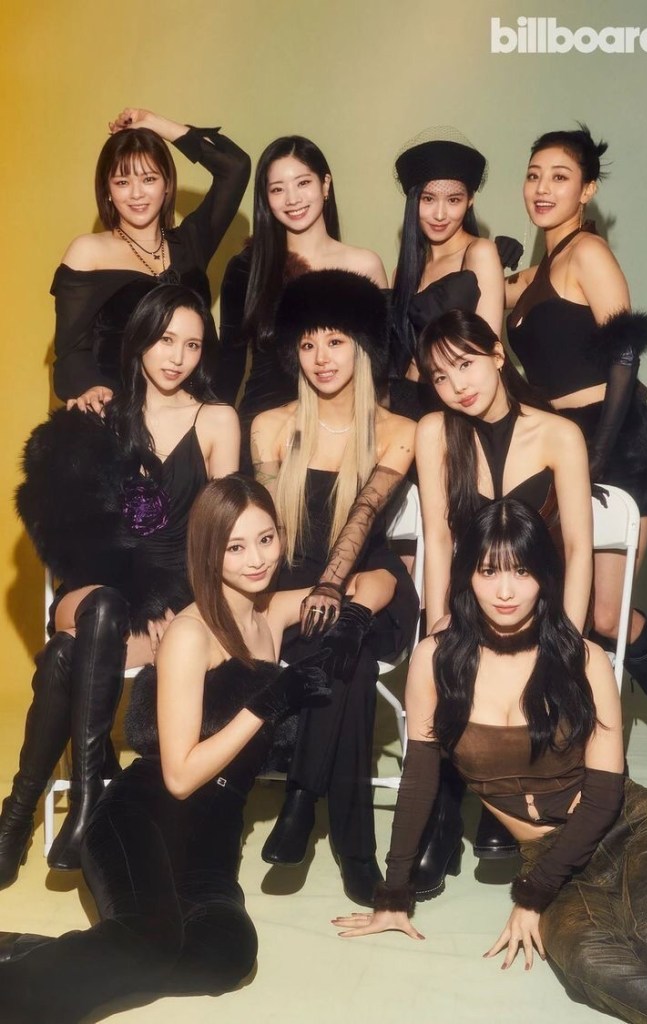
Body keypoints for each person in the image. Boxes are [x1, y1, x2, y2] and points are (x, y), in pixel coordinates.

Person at [333, 499, 647, 1024]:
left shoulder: (583, 658)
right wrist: (393, 893)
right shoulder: (436, 659)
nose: (504, 591)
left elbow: (605, 796)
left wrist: (532, 896)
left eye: (521, 572)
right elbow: (420, 781)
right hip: (547, 858)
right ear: (467, 576)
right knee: (592, 964)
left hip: (630, 827)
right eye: (488, 571)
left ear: (544, 576)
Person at [0, 475, 335, 1023]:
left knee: (229, 956)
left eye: (266, 539)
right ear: (208, 550)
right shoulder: (190, 634)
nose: (256, 559)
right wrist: (268, 703)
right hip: (142, 819)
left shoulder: (270, 612)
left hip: (211, 843)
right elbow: (179, 777)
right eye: (235, 547)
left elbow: (357, 586)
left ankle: (40, 952)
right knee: (149, 941)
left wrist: (352, 598)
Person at [1, 285, 239, 882]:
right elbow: (63, 524)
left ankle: (16, 814)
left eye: (192, 345)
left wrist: (190, 611)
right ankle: (87, 802)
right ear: (139, 340)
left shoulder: (216, 420)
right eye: (165, 340)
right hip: (95, 587)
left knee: (65, 655)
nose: (177, 357)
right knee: (103, 606)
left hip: (176, 596)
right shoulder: (100, 414)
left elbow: (223, 536)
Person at [505, 125, 647, 773]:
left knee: (603, 613)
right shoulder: (527, 278)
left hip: (615, 440)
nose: (542, 188)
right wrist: (483, 259)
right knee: (555, 602)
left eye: (559, 176)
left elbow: (625, 355)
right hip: (554, 446)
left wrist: (597, 456)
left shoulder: (588, 253)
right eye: (533, 175)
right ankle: (566, 743)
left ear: (587, 190)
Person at [250, 269, 419, 905]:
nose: (322, 357)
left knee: (347, 623)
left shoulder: (396, 430)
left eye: (336, 341)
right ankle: (357, 851)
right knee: (351, 657)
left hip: (369, 578)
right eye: (308, 343)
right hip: (299, 588)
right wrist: (296, 598)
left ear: (361, 348)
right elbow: (267, 528)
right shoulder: (271, 425)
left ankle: (301, 801)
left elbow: (364, 516)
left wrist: (330, 586)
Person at [411, 308, 592, 881]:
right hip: (472, 603)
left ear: (496, 355)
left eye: (465, 365)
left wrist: (570, 635)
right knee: (447, 665)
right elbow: (439, 539)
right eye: (440, 377)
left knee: (531, 669)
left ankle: (505, 800)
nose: (456, 386)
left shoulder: (559, 434)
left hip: (538, 603)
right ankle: (444, 817)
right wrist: (438, 621)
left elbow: (579, 548)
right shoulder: (435, 432)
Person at [53, 107, 251, 409]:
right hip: (123, 415)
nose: (136, 194)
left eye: (148, 179)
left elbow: (235, 167)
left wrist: (156, 125)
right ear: (107, 191)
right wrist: (91, 388)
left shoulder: (191, 243)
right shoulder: (89, 251)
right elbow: (70, 352)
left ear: (167, 184)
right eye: (122, 182)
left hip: (198, 413)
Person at [219, 135, 387, 437]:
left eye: (303, 183)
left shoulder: (364, 266)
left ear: (325, 184)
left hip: (344, 434)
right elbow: (228, 367)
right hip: (265, 432)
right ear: (265, 198)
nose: (292, 199)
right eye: (277, 189)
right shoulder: (248, 267)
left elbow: (381, 371)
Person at [390, 131, 518, 419]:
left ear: (470, 200)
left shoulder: (479, 252)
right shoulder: (403, 272)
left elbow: (485, 349)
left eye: (454, 200)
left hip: (463, 406)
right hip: (407, 402)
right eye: (428, 199)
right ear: (413, 201)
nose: (440, 214)